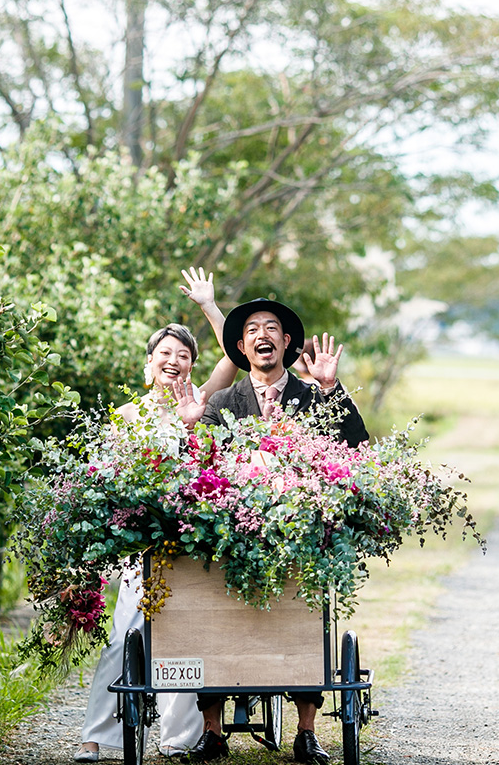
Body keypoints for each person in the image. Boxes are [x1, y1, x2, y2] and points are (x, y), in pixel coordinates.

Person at [188, 298, 369, 765]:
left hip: (299, 531)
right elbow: (200, 464)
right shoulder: (223, 402)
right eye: (252, 329)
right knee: (208, 606)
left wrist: (331, 388)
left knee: (305, 611)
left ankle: (306, 732)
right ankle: (212, 732)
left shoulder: (312, 397)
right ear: (241, 346)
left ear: (287, 342)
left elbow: (355, 445)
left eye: (271, 328)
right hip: (233, 531)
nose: (262, 335)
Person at [76, 269, 237, 763]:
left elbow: (235, 357)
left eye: (184, 355)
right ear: (149, 365)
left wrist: (209, 306)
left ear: (191, 367)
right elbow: (109, 482)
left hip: (189, 541)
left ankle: (178, 737)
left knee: (185, 636)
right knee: (124, 637)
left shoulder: (201, 404)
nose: (174, 360)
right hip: (142, 545)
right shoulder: (127, 417)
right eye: (165, 353)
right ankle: (96, 736)